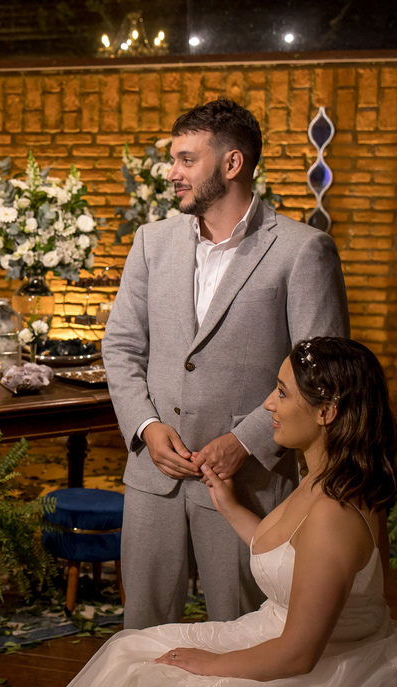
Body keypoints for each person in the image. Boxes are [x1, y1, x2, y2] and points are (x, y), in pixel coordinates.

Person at [0, 337, 397, 687]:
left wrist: (211, 664)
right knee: (126, 650)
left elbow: (299, 654)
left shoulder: (335, 512)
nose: (268, 404)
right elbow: (291, 555)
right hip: (282, 637)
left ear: (327, 412)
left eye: (282, 392)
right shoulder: (326, 475)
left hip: (319, 671)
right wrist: (229, 504)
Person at [104, 97, 350, 629]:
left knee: (244, 631)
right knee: (141, 631)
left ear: (232, 163)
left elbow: (322, 373)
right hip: (153, 478)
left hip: (249, 482)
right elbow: (120, 346)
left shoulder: (303, 250)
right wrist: (146, 427)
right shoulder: (150, 243)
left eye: (187, 159)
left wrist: (245, 441)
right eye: (174, 159)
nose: (172, 173)